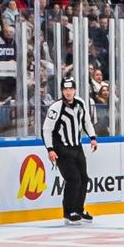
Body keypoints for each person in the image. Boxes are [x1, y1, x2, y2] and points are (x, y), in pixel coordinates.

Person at [41, 74, 99, 225]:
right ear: (61, 90)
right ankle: (68, 212)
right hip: (61, 149)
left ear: (75, 90)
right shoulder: (56, 108)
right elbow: (46, 130)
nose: (68, 92)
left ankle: (79, 209)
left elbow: (86, 121)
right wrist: (50, 149)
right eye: (65, 89)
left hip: (77, 146)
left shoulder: (80, 103)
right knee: (73, 179)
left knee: (84, 179)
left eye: (71, 89)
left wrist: (93, 137)